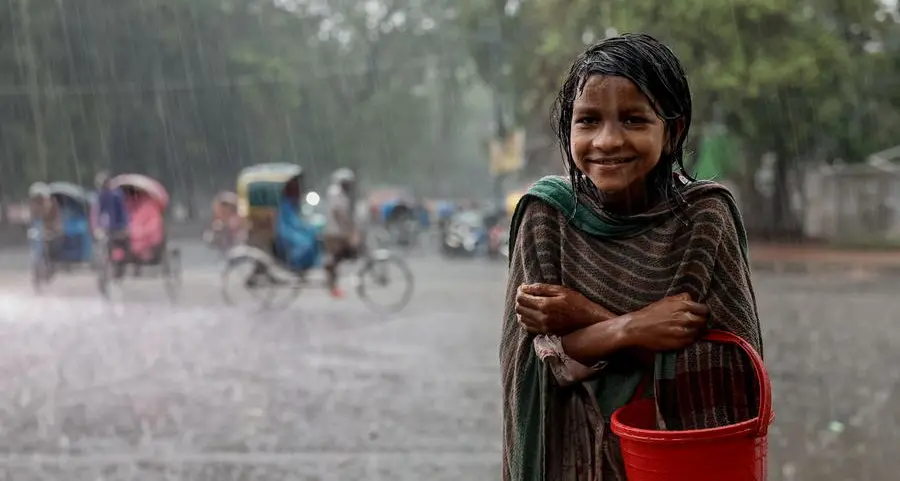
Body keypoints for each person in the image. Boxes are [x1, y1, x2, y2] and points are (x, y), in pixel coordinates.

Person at [500, 33, 763, 480]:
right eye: (587, 121)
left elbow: (731, 378)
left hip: (673, 463)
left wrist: (583, 317)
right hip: (568, 461)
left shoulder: (703, 220)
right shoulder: (547, 216)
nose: (607, 141)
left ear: (672, 130)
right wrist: (635, 327)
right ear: (568, 130)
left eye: (634, 120)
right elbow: (534, 364)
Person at [322, 168, 360, 298]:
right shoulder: (335, 193)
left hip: (338, 231)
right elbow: (339, 213)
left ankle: (333, 282)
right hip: (335, 233)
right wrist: (349, 229)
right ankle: (332, 285)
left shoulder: (340, 194)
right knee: (336, 258)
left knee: (340, 257)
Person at [274, 175, 318, 272]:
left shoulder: (296, 203)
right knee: (304, 244)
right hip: (287, 230)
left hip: (294, 229)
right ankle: (295, 266)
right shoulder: (286, 204)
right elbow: (289, 222)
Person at [93, 172, 129, 277]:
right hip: (108, 227)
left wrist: (124, 226)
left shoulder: (116, 195)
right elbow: (100, 212)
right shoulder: (102, 196)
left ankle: (120, 266)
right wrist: (98, 226)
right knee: (104, 245)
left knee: (122, 245)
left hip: (119, 225)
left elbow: (122, 211)